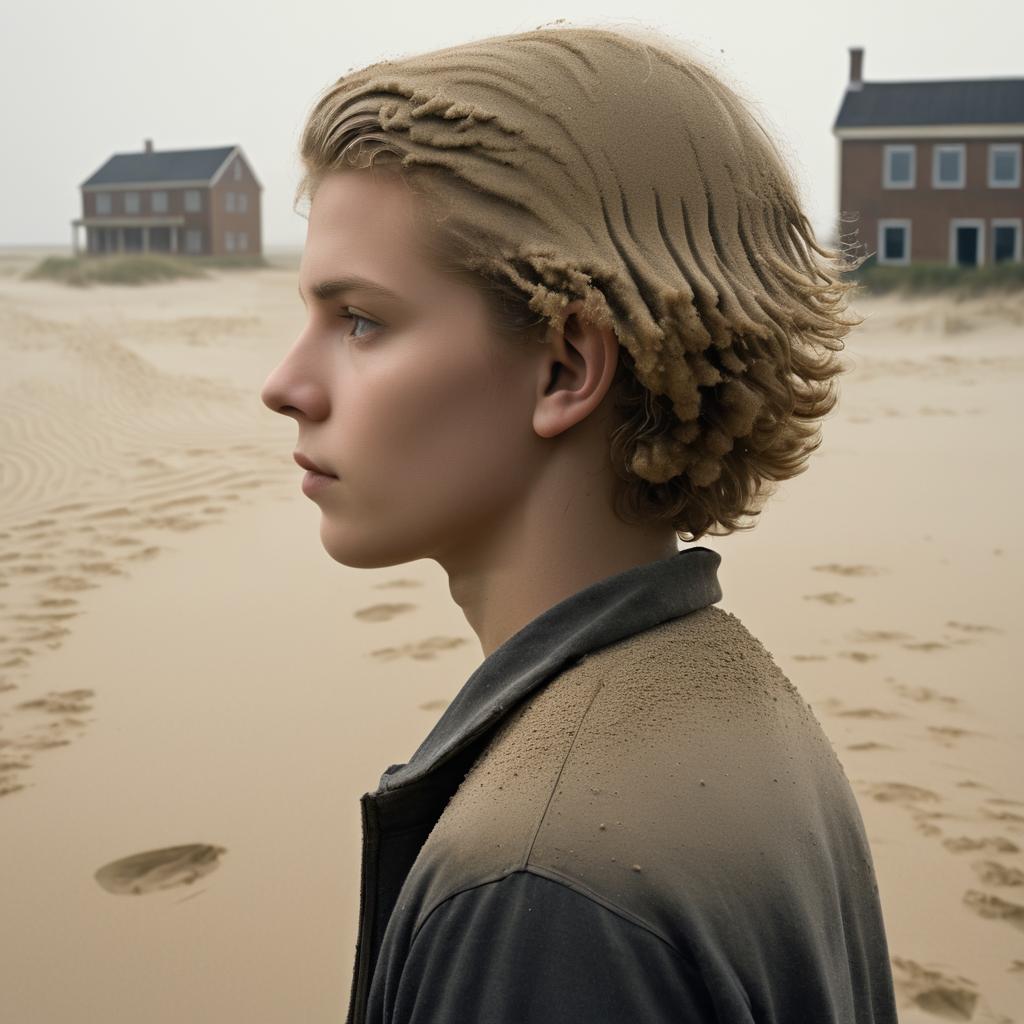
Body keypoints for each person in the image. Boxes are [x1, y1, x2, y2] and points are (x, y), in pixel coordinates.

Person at [259, 21, 899, 1024]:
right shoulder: (734, 695)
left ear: (565, 368)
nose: (286, 385)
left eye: (362, 321)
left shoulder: (533, 888)